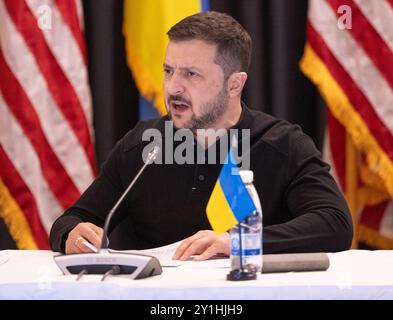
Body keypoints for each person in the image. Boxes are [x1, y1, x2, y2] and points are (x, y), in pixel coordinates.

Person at [50, 11, 353, 259]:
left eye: (191, 74)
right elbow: (71, 220)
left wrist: (236, 241)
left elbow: (335, 224)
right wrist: (72, 234)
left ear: (234, 84)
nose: (173, 88)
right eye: (169, 71)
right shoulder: (143, 145)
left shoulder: (282, 144)